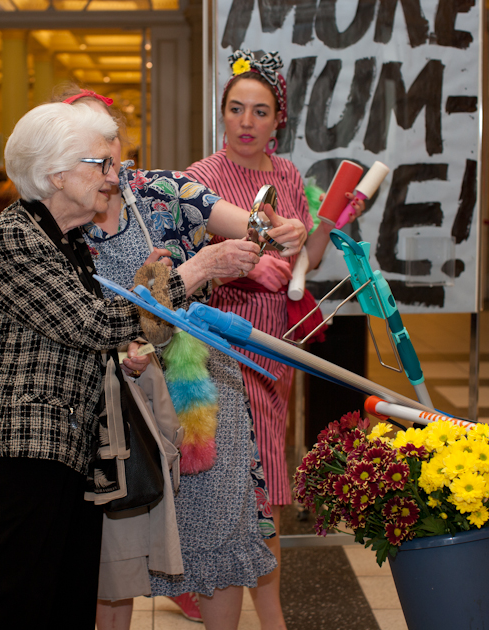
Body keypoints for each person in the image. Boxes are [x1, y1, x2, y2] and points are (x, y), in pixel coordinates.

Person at [0, 102, 261, 630]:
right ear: (56, 173)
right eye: (99, 164)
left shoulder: (65, 239)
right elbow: (96, 325)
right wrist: (194, 272)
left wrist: (150, 313)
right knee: (23, 604)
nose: (113, 175)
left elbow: (108, 331)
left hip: (70, 447)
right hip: (24, 449)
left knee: (70, 601)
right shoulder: (15, 237)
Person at [58, 88, 306, 630]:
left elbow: (250, 227)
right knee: (114, 554)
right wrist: (193, 272)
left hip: (202, 400)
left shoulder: (163, 191)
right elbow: (82, 320)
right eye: (86, 147)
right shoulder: (58, 219)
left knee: (215, 542)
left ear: (122, 143)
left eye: (108, 143)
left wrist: (281, 231)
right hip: (117, 406)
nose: (103, 161)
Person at [184, 50, 363, 629]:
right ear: (222, 113)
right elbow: (185, 269)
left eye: (259, 111)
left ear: (277, 118)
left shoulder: (285, 175)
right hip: (220, 346)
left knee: (266, 487)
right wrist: (242, 267)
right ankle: (251, 614)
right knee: (239, 485)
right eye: (235, 108)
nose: (246, 122)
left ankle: (267, 613)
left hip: (274, 347)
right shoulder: (199, 180)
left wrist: (324, 221)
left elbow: (303, 263)